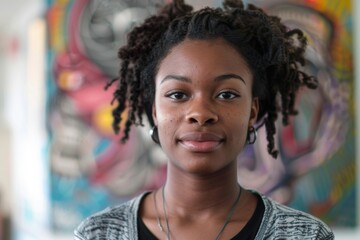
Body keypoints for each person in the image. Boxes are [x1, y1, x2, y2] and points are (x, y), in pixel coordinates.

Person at [74, 0, 334, 239]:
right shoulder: (99, 235)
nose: (200, 113)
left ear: (252, 111)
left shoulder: (305, 236)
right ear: (154, 110)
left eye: (227, 94)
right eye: (177, 94)